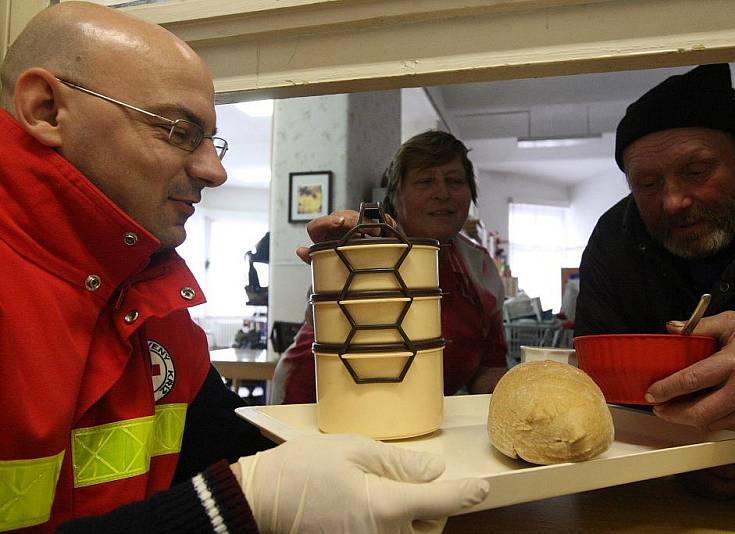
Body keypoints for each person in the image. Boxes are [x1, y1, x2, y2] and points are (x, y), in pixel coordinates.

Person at [0, 3, 488, 532]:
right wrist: (238, 503)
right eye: (178, 131)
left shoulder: (148, 298)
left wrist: (341, 299)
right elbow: (240, 488)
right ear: (46, 108)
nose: (215, 170)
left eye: (213, 140)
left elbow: (226, 443)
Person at [575, 63, 735, 496]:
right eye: (647, 183)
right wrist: (675, 453)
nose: (673, 201)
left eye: (697, 172)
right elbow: (599, 387)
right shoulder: (613, 241)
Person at [272, 130, 508, 404]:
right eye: (425, 181)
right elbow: (319, 318)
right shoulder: (369, 246)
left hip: (413, 413)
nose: (442, 193)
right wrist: (334, 264)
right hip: (316, 402)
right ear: (395, 196)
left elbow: (488, 369)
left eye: (455, 181)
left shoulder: (480, 268)